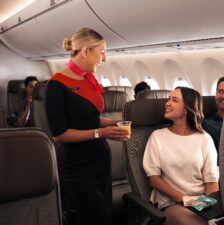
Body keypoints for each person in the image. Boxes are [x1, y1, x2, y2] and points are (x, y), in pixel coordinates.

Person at [45, 28, 130, 225]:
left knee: (104, 215)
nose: (104, 59)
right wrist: (102, 132)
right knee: (86, 218)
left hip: (100, 159)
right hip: (77, 165)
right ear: (85, 51)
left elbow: (92, 119)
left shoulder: (88, 80)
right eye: (101, 52)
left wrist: (114, 124)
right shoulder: (56, 84)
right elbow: (59, 135)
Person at [143, 87, 219, 225]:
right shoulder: (157, 137)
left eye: (174, 100)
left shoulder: (204, 139)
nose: (167, 103)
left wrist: (212, 208)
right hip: (171, 203)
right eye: (169, 99)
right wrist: (186, 200)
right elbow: (154, 179)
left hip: (201, 201)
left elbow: (211, 181)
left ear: (186, 109)